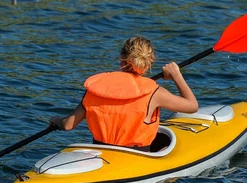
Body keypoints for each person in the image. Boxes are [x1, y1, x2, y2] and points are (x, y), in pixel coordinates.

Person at [49, 36, 199, 150]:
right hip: (136, 158)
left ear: (121, 58)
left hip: (101, 153)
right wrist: (176, 76)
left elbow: (68, 125)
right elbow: (192, 106)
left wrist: (57, 120)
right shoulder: (155, 93)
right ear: (150, 63)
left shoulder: (97, 88)